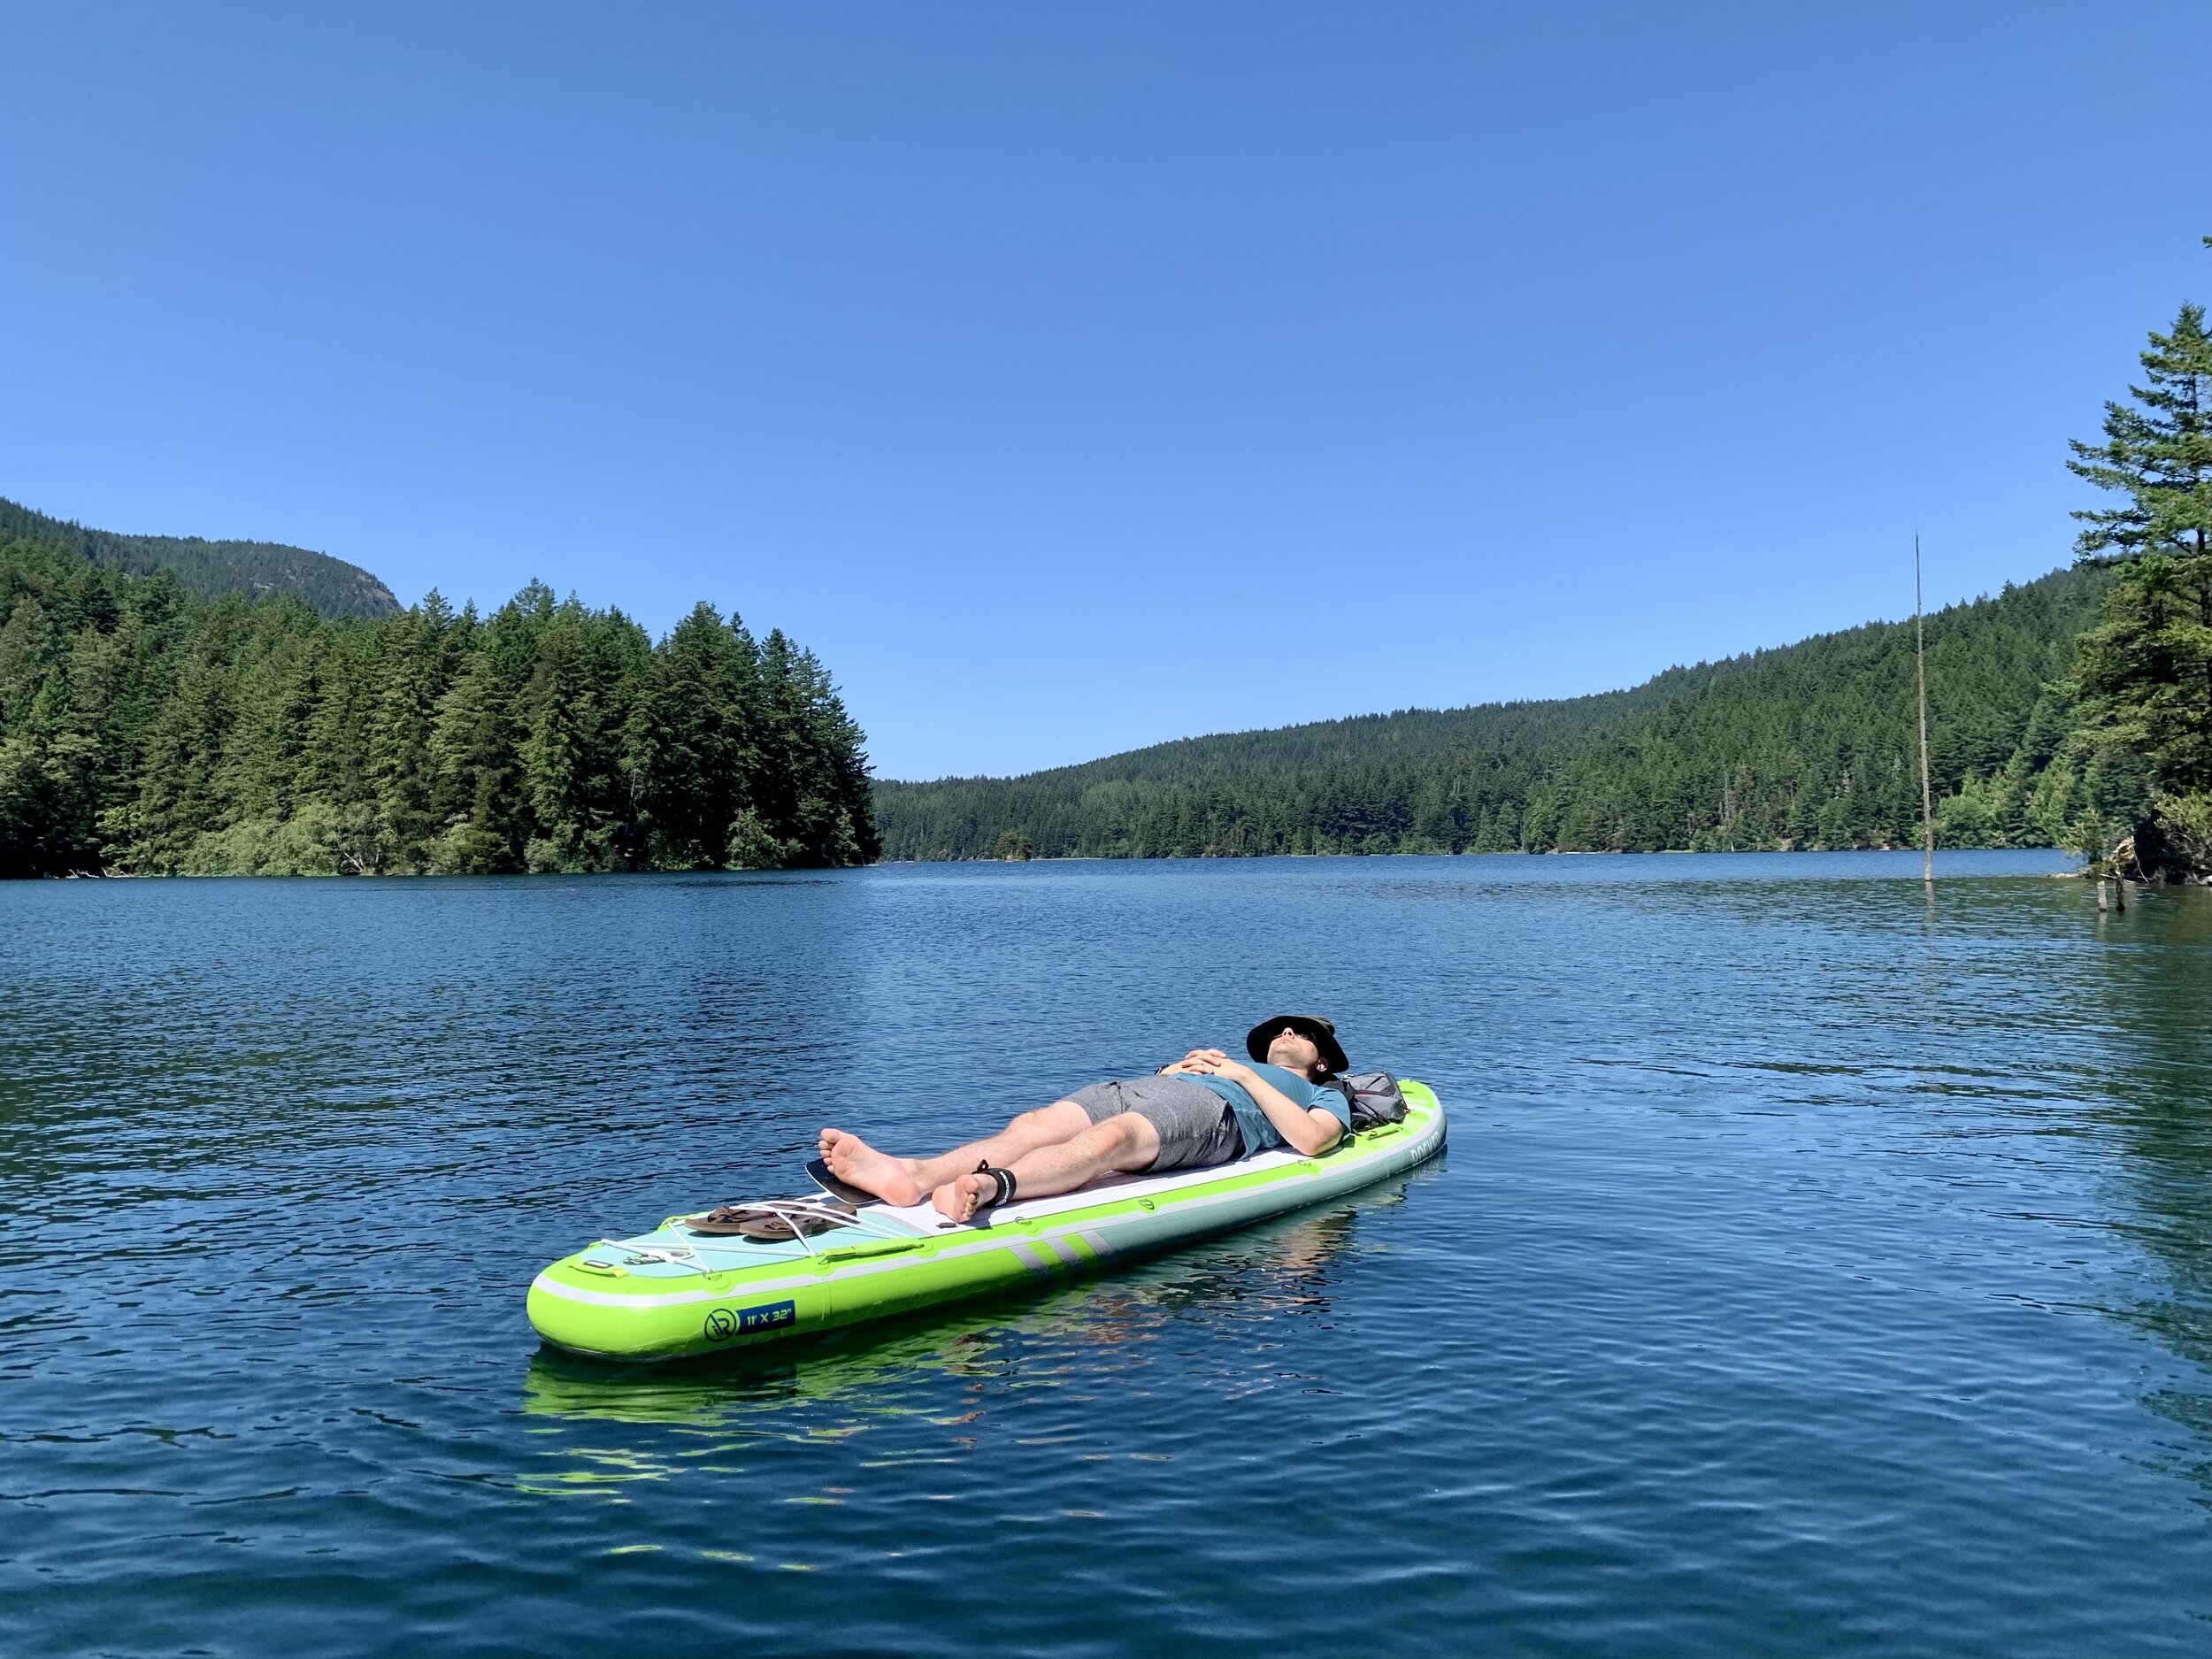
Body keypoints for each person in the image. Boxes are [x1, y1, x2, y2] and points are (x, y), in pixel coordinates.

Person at [818, 1014, 1356, 1223]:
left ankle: (990, 1187)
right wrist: (1176, 1068)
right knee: (1032, 1124)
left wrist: (1241, 1076)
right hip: (1150, 1087)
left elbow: (1311, 1142)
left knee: (1112, 1140)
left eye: (1299, 1033)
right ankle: (913, 1175)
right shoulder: (1235, 1065)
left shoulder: (1323, 1092)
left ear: (1322, 1059)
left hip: (1217, 1112)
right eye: (1277, 1032)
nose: (1284, 1035)